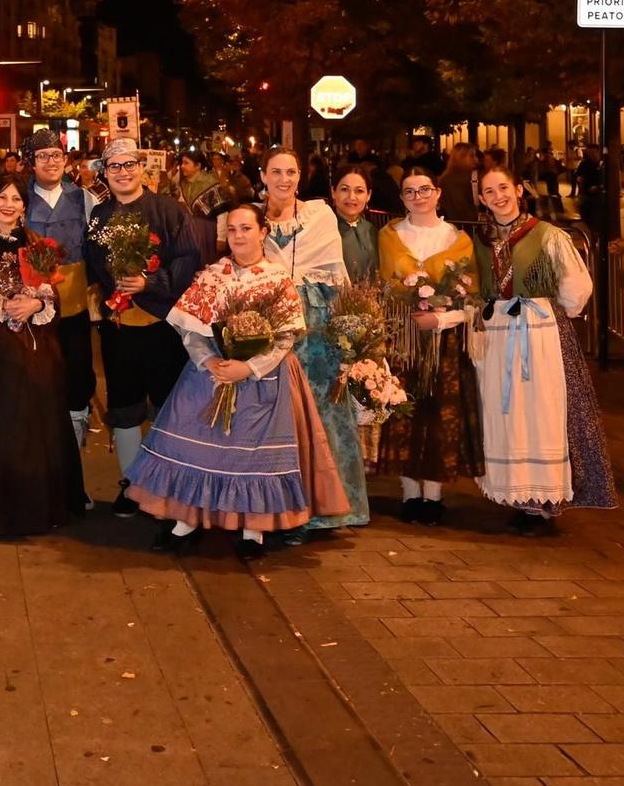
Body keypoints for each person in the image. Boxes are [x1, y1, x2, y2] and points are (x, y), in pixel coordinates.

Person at [127, 204, 351, 559]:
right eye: (232, 230)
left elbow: (284, 337)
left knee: (253, 454)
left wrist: (248, 369)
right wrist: (210, 360)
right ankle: (187, 521)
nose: (239, 236)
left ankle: (253, 529)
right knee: (196, 443)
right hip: (211, 373)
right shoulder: (213, 275)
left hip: (263, 379)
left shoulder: (277, 279)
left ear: (263, 232)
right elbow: (190, 329)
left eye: (246, 228)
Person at [475, 166, 616, 534]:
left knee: (544, 413)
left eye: (503, 187)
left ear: (518, 189)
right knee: (511, 416)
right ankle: (521, 498)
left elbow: (575, 287)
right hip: (500, 334)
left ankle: (546, 503)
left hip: (540, 335)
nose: (498, 196)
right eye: (489, 191)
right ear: (481, 198)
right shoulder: (483, 239)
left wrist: (551, 312)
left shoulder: (548, 235)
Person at [0, 174, 84, 535]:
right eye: (2, 198)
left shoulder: (38, 244)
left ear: (25, 206)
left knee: (32, 426)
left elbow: (54, 296)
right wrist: (5, 304)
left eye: (16, 199)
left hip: (33, 352)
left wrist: (36, 302)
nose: (9, 204)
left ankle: (35, 510)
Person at [84, 137, 199, 519]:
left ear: (142, 168)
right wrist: (116, 285)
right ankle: (131, 487)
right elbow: (95, 263)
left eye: (129, 164)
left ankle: (168, 485)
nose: (123, 172)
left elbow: (187, 259)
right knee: (124, 407)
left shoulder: (168, 210)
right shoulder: (100, 216)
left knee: (169, 407)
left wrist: (149, 283)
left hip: (163, 326)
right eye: (114, 166)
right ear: (104, 174)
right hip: (120, 329)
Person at [259, 148, 368, 531]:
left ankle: (325, 510)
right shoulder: (252, 221)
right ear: (263, 176)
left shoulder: (319, 216)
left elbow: (336, 275)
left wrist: (351, 335)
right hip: (270, 328)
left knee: (322, 415)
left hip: (316, 331)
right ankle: (282, 512)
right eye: (276, 171)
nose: (284, 179)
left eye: (291, 171)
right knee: (280, 419)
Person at [376, 174, 484, 526]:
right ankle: (409, 492)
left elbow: (470, 297)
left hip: (444, 339)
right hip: (402, 338)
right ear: (402, 198)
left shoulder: (457, 240)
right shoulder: (390, 237)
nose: (417, 196)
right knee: (403, 413)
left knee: (439, 414)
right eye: (409, 191)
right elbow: (384, 286)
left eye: (424, 190)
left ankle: (434, 496)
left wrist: (439, 319)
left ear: (437, 193)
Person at [21, 130, 99, 455]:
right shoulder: (20, 199)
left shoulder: (84, 199)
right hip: (32, 307)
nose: (50, 162)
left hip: (75, 305)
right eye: (43, 156)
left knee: (77, 376)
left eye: (56, 155)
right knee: (36, 378)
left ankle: (75, 456)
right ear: (32, 162)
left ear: (65, 160)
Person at [332, 169, 381, 286]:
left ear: (368, 195)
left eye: (359, 191)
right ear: (333, 192)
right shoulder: (325, 230)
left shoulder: (372, 230)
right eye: (344, 189)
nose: (351, 197)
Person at [437, 143, 479, 225]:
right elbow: (460, 205)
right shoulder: (469, 177)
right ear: (461, 157)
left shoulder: (444, 177)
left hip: (449, 223)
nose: (476, 159)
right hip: (467, 224)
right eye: (471, 156)